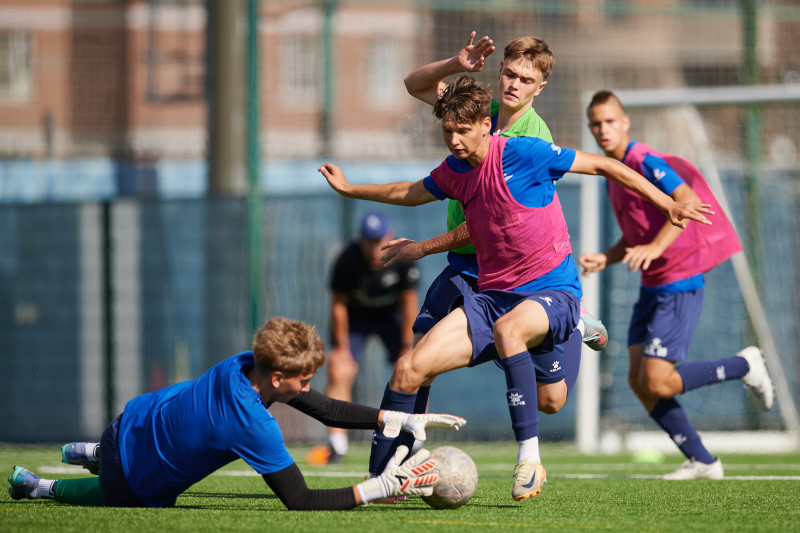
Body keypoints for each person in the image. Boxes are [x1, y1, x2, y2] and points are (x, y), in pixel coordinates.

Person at [318, 76, 712, 500]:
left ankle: (529, 459)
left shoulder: (525, 152)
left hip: (553, 291)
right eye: (447, 130)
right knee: (410, 369)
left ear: (486, 125)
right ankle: (381, 480)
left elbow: (604, 165)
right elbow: (410, 191)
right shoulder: (455, 171)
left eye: (462, 130)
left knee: (514, 338)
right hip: (493, 297)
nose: (453, 139)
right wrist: (349, 188)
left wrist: (668, 203)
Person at [384, 33, 604, 449]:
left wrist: (424, 246)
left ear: (540, 87)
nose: (513, 83)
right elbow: (413, 84)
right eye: (508, 73)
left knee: (550, 400)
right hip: (466, 267)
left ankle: (567, 317)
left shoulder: (530, 138)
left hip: (511, 275)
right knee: (418, 358)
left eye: (525, 78)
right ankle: (403, 454)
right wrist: (455, 63)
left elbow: (498, 223)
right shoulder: (484, 112)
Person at [7, 317, 466, 509]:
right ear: (279, 379)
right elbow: (300, 500)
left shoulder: (242, 363)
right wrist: (378, 487)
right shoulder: (251, 425)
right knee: (110, 493)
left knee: (120, 449)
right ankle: (40, 486)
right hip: (128, 479)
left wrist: (396, 418)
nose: (308, 387)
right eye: (302, 379)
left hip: (125, 423)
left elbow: (323, 408)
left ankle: (87, 449)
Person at [580, 90, 774, 480]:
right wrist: (607, 257)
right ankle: (703, 460)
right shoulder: (612, 173)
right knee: (640, 381)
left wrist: (654, 246)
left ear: (625, 122)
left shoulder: (644, 160)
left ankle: (744, 365)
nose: (603, 129)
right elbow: (634, 235)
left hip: (679, 282)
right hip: (652, 286)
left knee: (658, 380)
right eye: (595, 124)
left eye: (609, 121)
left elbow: (685, 201)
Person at [323, 211, 420, 463]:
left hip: (391, 319)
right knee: (339, 369)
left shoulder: (403, 257)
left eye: (379, 240)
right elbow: (338, 306)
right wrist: (342, 349)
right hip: (356, 320)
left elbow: (409, 303)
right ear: (360, 240)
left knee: (416, 366)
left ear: (390, 237)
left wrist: (406, 346)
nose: (375, 246)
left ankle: (415, 440)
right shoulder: (346, 261)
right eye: (369, 241)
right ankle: (337, 445)